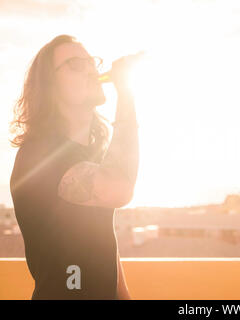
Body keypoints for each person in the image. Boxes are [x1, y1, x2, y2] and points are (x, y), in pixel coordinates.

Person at [9, 35, 139, 299]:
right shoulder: (40, 156)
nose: (91, 69)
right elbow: (121, 188)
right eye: (75, 65)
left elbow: (102, 238)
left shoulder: (90, 154)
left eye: (91, 62)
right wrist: (126, 93)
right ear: (50, 85)